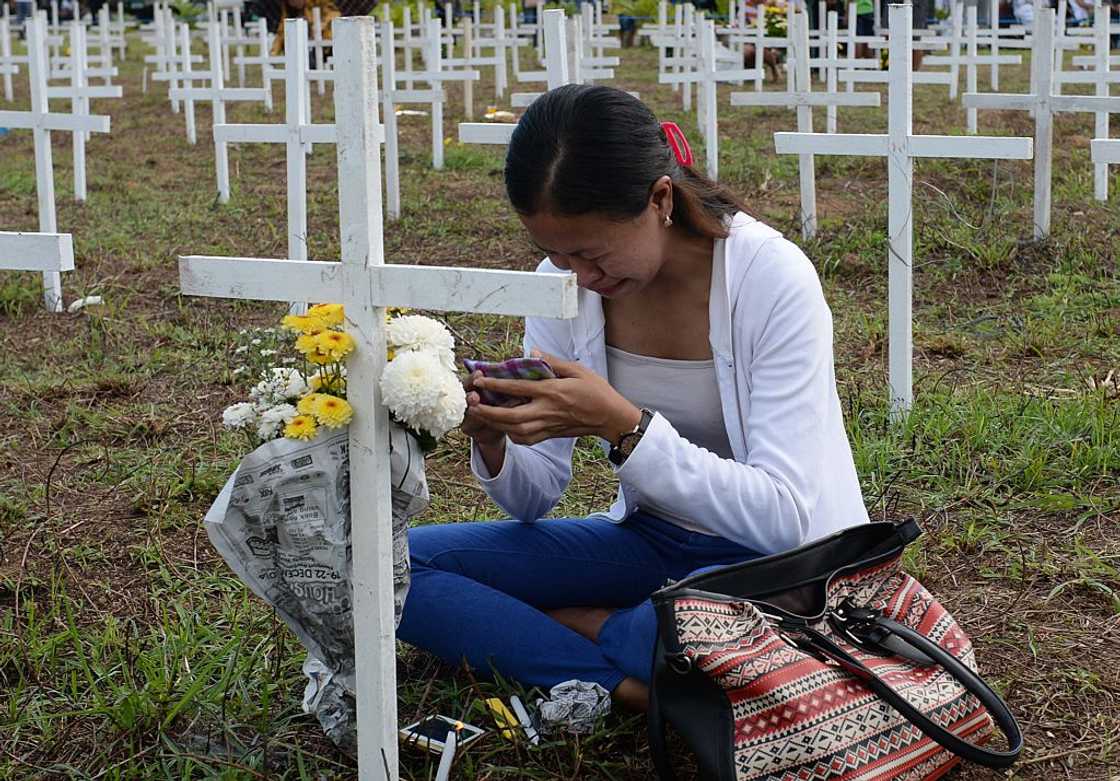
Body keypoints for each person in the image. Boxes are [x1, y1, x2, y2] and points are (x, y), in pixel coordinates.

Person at [396, 85, 870, 714]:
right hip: (654, 542)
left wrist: (626, 426)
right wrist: (497, 439)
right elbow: (536, 497)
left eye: (591, 252)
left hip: (781, 566)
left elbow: (783, 517)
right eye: (552, 253)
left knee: (674, 626)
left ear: (660, 199)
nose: (578, 276)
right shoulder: (563, 286)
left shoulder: (768, 277)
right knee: (394, 568)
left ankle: (591, 630)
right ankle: (630, 684)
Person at [270, 0, 339, 55]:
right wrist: (274, 52)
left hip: (325, 43)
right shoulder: (288, 12)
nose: (293, 3)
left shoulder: (318, 2)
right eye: (290, 1)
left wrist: (323, 24)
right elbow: (281, 32)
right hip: (304, 47)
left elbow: (335, 13)